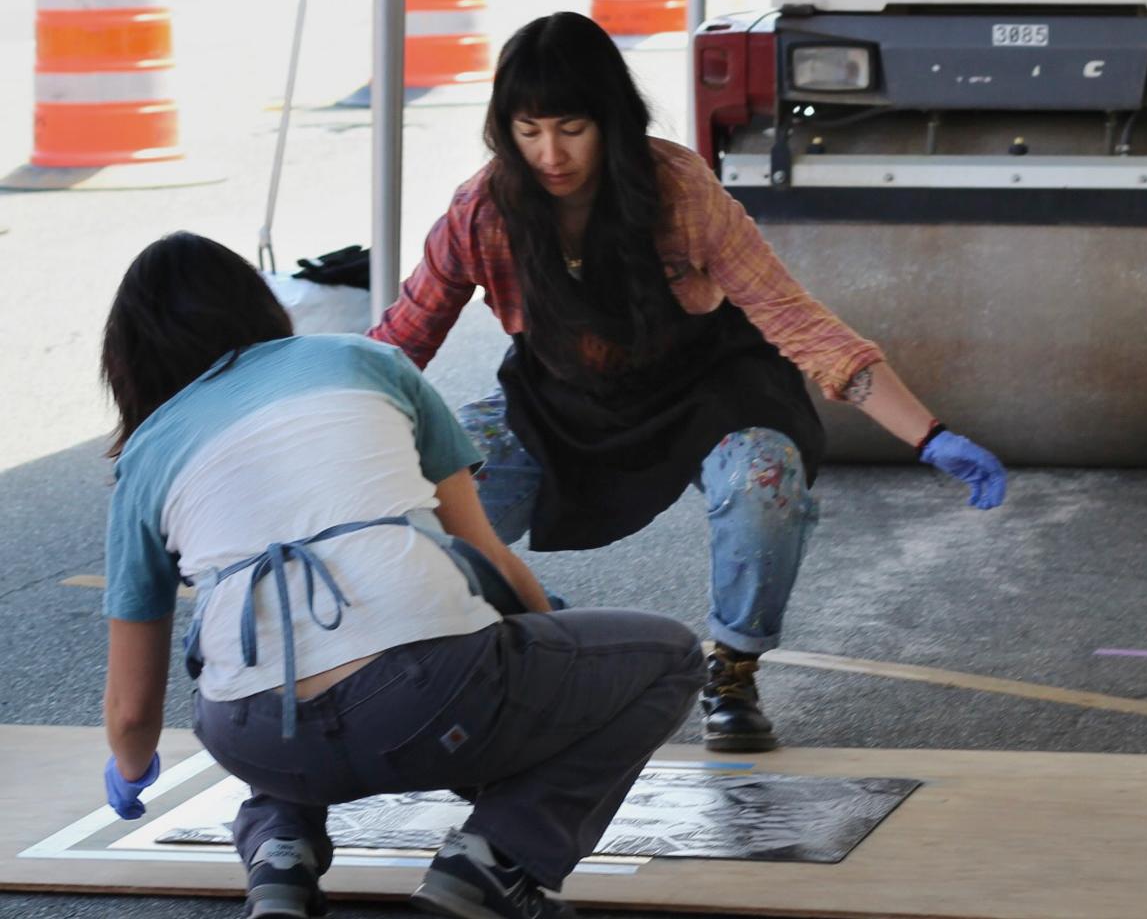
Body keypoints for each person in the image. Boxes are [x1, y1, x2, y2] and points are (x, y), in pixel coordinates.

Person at [371, 11, 1007, 753]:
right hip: (558, 399)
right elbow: (400, 340)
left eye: (572, 127)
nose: (550, 153)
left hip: (708, 387)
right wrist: (311, 430)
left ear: (611, 118)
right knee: (431, 503)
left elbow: (795, 319)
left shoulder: (677, 189)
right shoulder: (481, 211)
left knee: (764, 480)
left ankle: (733, 670)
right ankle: (514, 645)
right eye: (528, 129)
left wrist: (928, 434)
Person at [99, 232, 704, 919]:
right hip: (427, 702)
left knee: (275, 654)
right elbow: (489, 559)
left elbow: (130, 709)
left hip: (256, 741)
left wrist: (130, 772)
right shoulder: (361, 359)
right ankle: (493, 863)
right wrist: (538, 686)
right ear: (256, 306)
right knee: (669, 657)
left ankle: (278, 860)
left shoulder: (144, 459)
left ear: (131, 357)